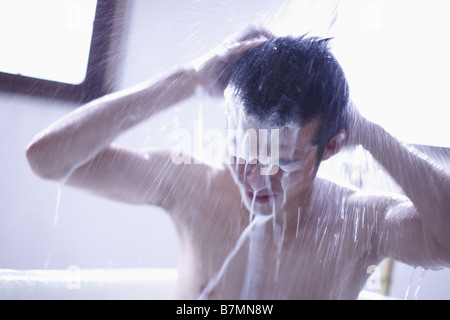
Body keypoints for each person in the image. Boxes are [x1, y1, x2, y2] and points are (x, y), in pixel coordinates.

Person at [26, 26, 450, 299]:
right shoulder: (191, 186)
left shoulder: (360, 222)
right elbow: (46, 159)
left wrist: (368, 131)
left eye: (282, 162)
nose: (255, 176)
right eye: (243, 150)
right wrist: (188, 78)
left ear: (333, 146)